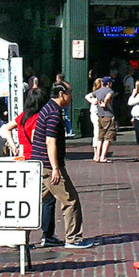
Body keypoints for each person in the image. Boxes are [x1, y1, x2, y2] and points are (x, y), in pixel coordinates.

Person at [31, 84, 92, 249]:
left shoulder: (47, 109)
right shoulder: (53, 113)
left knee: (33, 202)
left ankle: (16, 237)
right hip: (49, 165)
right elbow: (50, 141)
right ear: (61, 94)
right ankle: (73, 238)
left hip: (39, 162)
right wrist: (56, 168)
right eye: (69, 93)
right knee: (70, 200)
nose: (71, 96)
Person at [0, 87, 47, 161]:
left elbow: (6, 128)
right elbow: (34, 138)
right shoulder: (39, 117)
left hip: (22, 155)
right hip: (35, 157)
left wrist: (13, 146)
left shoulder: (23, 116)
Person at [93, 76, 116, 162]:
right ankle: (103, 157)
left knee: (100, 137)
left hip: (100, 116)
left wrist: (94, 102)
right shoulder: (110, 91)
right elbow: (108, 97)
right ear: (109, 83)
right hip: (108, 115)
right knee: (108, 138)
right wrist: (105, 104)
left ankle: (97, 156)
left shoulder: (97, 91)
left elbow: (89, 96)